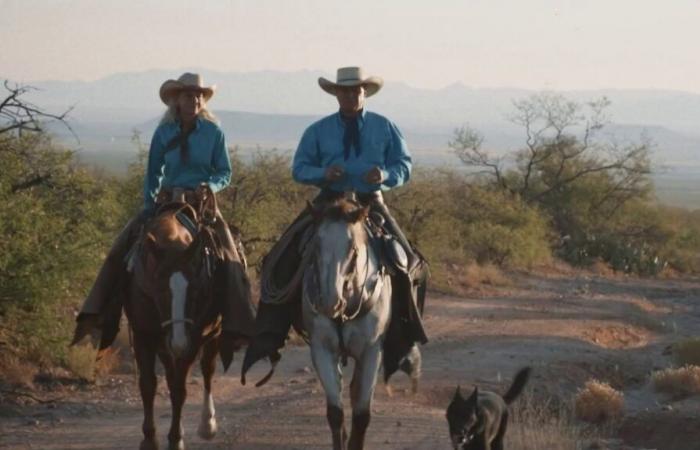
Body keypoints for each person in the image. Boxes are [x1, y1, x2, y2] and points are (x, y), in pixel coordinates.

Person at [242, 67, 428, 380]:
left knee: (408, 262)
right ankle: (269, 336)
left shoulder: (385, 127)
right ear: (335, 94)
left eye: (356, 90)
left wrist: (385, 176)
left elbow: (404, 165)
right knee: (280, 256)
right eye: (344, 91)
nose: (350, 95)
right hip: (328, 203)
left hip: (371, 204)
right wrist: (323, 174)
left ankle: (405, 340)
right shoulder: (318, 130)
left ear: (365, 92)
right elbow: (299, 168)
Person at [71, 72, 255, 352]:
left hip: (201, 202)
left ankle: (240, 324)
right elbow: (153, 172)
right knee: (123, 245)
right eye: (188, 95)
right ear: (176, 100)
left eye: (198, 95)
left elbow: (224, 172)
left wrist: (210, 185)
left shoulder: (214, 132)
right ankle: (97, 314)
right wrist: (148, 207)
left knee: (229, 250)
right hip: (167, 200)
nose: (194, 99)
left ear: (203, 101)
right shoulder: (164, 132)